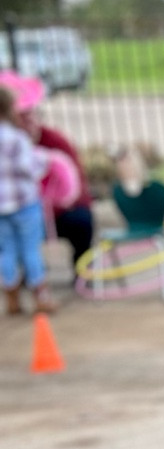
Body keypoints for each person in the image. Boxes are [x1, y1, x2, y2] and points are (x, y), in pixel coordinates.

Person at [1, 71, 96, 268]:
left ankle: (82, 269)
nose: (29, 122)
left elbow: (76, 186)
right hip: (16, 214)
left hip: (55, 211)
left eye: (32, 115)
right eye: (21, 117)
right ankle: (21, 279)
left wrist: (54, 204)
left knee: (81, 219)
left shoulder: (54, 141)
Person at [0, 82, 54, 315]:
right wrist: (41, 160)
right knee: (31, 249)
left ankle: (11, 296)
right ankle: (40, 296)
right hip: (24, 203)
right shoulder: (16, 138)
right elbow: (28, 168)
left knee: (6, 250)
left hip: (1, 207)